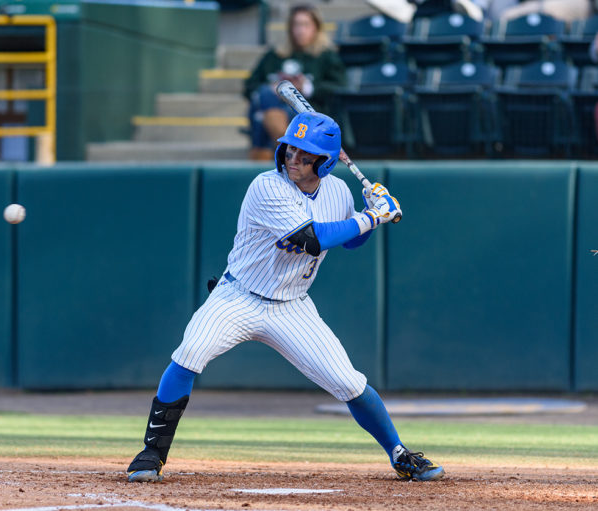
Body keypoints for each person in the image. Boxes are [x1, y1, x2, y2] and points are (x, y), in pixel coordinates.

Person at [126, 112, 444, 483]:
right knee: (189, 354)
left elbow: (354, 241)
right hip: (238, 296)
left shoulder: (338, 191)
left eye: (305, 154)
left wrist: (370, 208)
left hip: (292, 306)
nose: (293, 157)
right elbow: (311, 239)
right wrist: (374, 217)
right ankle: (151, 454)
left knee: (349, 382)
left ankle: (399, 452)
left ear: (324, 162)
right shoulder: (266, 186)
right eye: (290, 148)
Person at [243, 4, 346, 161]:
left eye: (305, 25)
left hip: (307, 115)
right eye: (296, 24)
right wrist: (276, 89)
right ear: (290, 28)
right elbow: (250, 86)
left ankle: (271, 157)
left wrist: (305, 87)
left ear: (316, 28)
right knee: (265, 94)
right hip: (274, 105)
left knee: (260, 117)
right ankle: (289, 150)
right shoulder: (275, 55)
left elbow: (340, 86)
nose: (300, 30)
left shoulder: (326, 56)